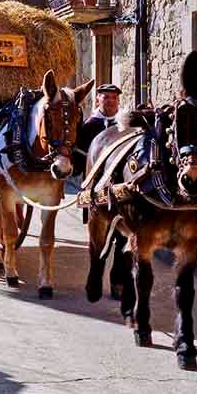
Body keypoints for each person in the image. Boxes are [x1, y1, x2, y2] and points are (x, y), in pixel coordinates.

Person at [74, 83, 129, 300]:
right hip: (98, 192)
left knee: (123, 242)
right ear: (98, 100)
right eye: (105, 98)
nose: (110, 101)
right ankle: (95, 276)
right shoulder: (89, 127)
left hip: (123, 192)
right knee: (98, 240)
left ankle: (118, 281)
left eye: (114, 98)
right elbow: (79, 158)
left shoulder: (126, 125)